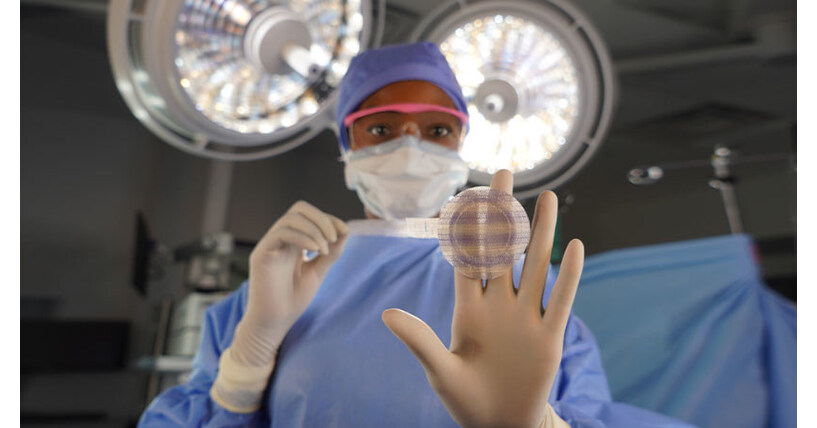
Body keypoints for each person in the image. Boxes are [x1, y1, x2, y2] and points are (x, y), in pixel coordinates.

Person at [138, 42, 695, 427]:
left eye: (438, 129)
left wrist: (532, 424)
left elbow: (589, 413)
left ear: (462, 145)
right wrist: (250, 358)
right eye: (380, 128)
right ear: (346, 147)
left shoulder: (518, 288)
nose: (409, 145)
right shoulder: (279, 287)